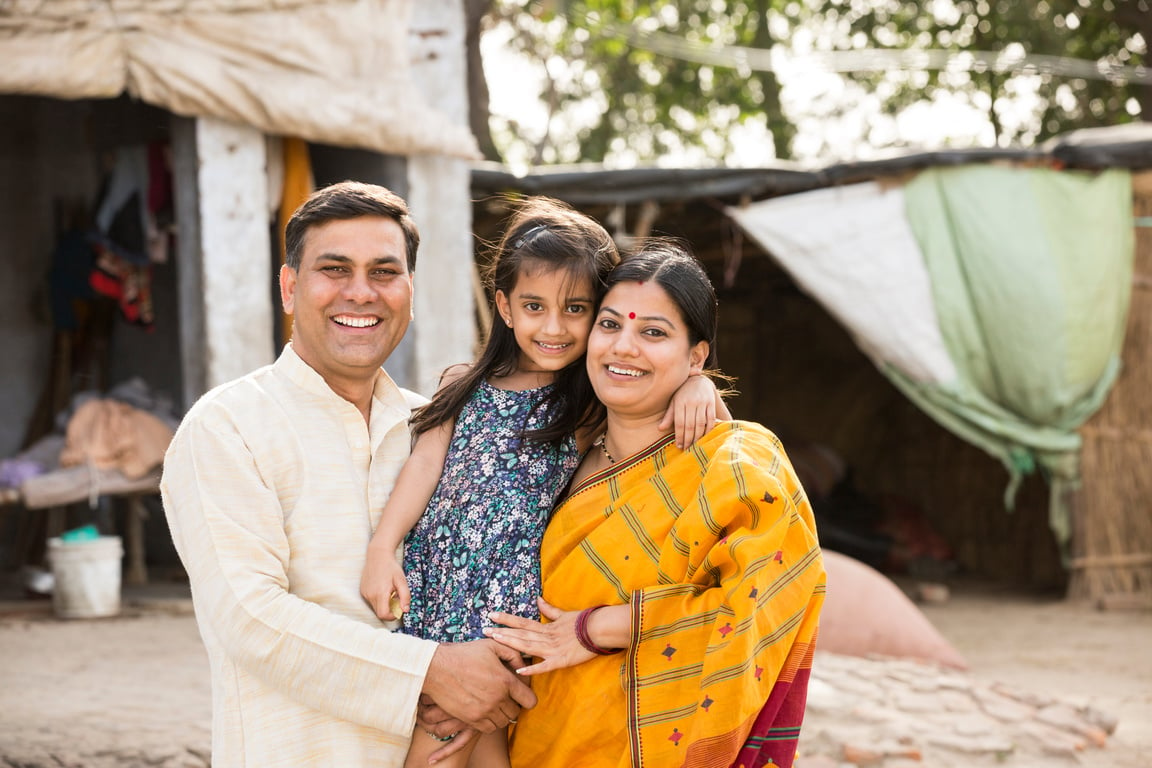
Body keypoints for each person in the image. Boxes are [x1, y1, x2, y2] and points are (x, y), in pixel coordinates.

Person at [160, 181, 535, 767]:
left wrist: (691, 383)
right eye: (334, 269)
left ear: (410, 291)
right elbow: (251, 618)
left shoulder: (438, 427)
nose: (361, 293)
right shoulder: (227, 426)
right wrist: (433, 672)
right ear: (289, 288)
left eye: (385, 273)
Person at [358, 198, 728, 768]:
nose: (553, 328)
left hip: (508, 615)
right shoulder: (463, 384)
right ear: (504, 306)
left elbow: (679, 411)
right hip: (436, 594)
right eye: (534, 306)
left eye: (576, 309)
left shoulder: (586, 405)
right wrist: (383, 548)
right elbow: (425, 465)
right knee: (452, 743)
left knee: (466, 742)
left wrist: (699, 388)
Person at [483, 240, 827, 768]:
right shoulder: (548, 455)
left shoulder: (736, 465)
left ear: (696, 356)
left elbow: (754, 614)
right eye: (609, 324)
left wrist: (594, 629)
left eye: (653, 333)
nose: (623, 347)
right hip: (533, 742)